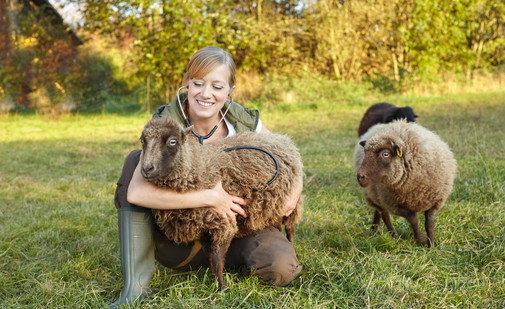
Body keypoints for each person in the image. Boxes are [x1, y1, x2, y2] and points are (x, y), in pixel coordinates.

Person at [110, 46, 303, 307]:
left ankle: (228, 259)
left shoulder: (242, 120)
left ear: (230, 90)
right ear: (187, 83)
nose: (206, 94)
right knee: (136, 158)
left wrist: (294, 191)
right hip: (181, 235)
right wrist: (211, 198)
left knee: (281, 269)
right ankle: (136, 287)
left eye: (217, 86)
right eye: (198, 83)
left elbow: (287, 155)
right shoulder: (168, 120)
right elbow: (135, 193)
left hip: (239, 228)